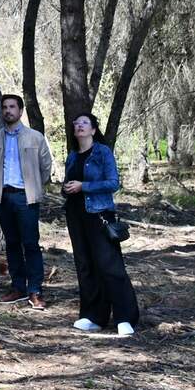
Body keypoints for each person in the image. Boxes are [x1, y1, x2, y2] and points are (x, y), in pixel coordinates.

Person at [63, 112, 140, 337]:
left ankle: (125, 317)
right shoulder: (72, 155)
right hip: (76, 215)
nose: (79, 126)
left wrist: (84, 186)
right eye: (76, 123)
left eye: (84, 123)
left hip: (99, 214)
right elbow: (69, 183)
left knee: (110, 266)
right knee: (85, 265)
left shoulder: (102, 152)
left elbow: (113, 182)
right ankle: (93, 316)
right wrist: (67, 188)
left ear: (94, 130)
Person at [0, 94, 53, 309]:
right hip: (4, 197)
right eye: (4, 107)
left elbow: (46, 166)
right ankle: (17, 288)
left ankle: (35, 291)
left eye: (12, 107)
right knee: (12, 244)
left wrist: (33, 186)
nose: (8, 110)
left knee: (30, 244)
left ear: (20, 111)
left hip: (26, 197)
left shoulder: (35, 137)